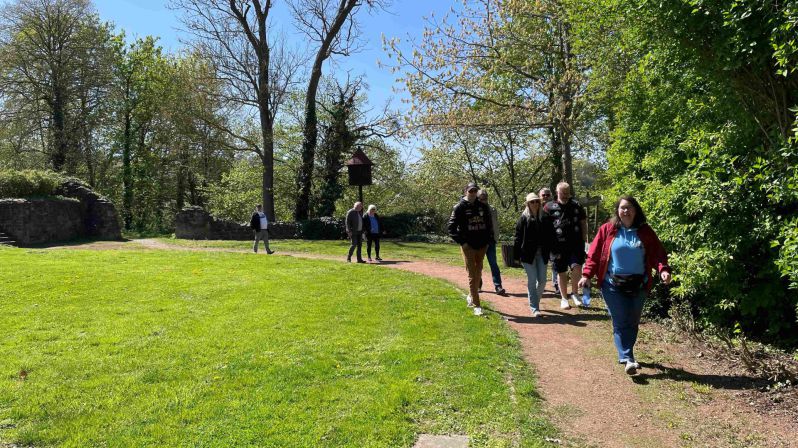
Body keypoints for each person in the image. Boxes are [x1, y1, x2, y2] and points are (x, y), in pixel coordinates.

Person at [578, 196, 672, 375]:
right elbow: (595, 254)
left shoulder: (645, 231)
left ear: (636, 211)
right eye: (622, 208)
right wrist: (587, 275)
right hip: (612, 284)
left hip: (639, 284)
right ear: (617, 211)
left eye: (629, 208)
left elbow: (657, 253)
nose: (625, 211)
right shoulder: (608, 229)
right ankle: (628, 357)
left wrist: (663, 270)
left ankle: (626, 353)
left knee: (633, 321)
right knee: (621, 321)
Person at [448, 182, 494, 316]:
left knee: (478, 272)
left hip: (482, 245)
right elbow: (451, 228)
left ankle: (471, 295)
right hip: (468, 246)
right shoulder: (459, 207)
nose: (473, 193)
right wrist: (463, 242)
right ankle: (477, 305)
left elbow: (489, 224)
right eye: (471, 191)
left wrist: (488, 241)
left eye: (475, 191)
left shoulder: (483, 206)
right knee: (472, 275)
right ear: (465, 192)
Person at [543, 182, 588, 310]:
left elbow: (583, 223)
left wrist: (585, 239)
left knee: (577, 268)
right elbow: (544, 228)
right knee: (561, 272)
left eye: (568, 192)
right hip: (557, 246)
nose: (566, 195)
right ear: (557, 192)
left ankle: (575, 293)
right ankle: (564, 298)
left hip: (576, 244)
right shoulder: (548, 207)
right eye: (563, 193)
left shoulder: (577, 205)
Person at [513, 192, 553, 317]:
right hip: (527, 255)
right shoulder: (523, 219)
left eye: (537, 201)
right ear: (527, 204)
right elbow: (518, 238)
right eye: (532, 202)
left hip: (542, 253)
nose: (535, 203)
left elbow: (551, 236)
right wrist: (515, 256)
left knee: (542, 281)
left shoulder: (545, 217)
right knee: (532, 280)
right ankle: (535, 308)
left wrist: (554, 251)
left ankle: (535, 302)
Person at [477, 189, 506, 295]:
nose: (483, 199)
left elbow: (495, 224)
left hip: (491, 241)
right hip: (479, 242)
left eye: (485, 197)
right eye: (481, 197)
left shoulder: (492, 209)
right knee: (478, 264)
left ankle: (498, 286)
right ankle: (478, 285)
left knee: (493, 264)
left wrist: (495, 237)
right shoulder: (475, 209)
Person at [539, 187, 558, 294]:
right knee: (541, 263)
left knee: (555, 262)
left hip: (553, 239)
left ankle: (556, 284)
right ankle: (540, 283)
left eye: (547, 194)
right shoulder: (535, 206)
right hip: (540, 241)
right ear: (540, 196)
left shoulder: (555, 207)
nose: (546, 197)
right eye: (543, 195)